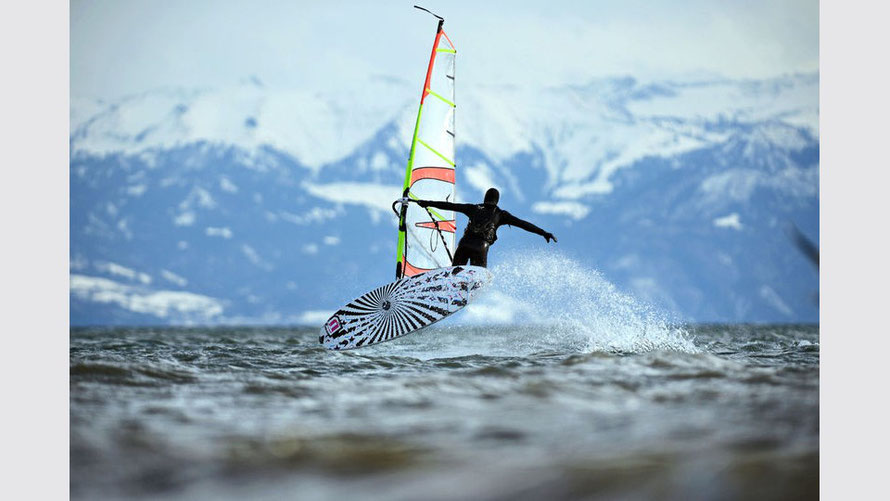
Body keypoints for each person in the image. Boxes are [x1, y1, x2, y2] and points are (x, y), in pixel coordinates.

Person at [408, 188, 556, 267]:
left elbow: (449, 205)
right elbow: (524, 224)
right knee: (475, 278)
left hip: (464, 244)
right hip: (480, 246)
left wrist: (426, 202)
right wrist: (543, 232)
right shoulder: (501, 214)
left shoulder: (473, 208)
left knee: (454, 274)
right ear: (497, 201)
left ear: (485, 198)